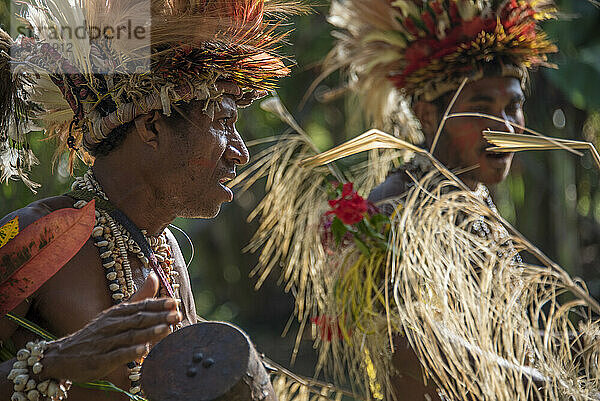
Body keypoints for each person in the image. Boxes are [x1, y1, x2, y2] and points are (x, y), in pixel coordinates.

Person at [0, 0, 305, 400]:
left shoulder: (165, 250)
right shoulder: (35, 235)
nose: (240, 151)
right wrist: (55, 361)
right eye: (223, 123)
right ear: (151, 127)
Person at [322, 0, 557, 399]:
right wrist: (539, 383)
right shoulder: (392, 214)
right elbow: (415, 356)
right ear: (427, 115)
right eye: (481, 107)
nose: (504, 127)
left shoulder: (470, 195)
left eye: (513, 107)